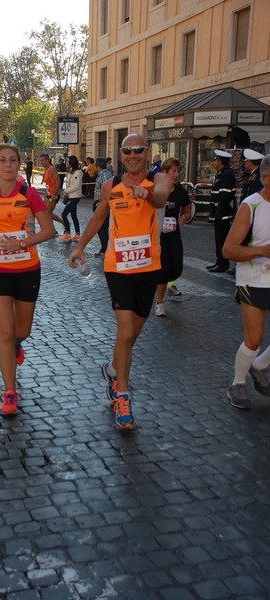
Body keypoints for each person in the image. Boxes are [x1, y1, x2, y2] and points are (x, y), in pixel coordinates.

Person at [68, 134, 171, 429]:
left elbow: (162, 196)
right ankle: (122, 397)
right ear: (121, 154)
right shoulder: (110, 186)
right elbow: (99, 218)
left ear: (146, 152)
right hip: (119, 267)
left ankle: (113, 369)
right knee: (125, 332)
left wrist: (146, 195)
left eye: (138, 150)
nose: (133, 154)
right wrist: (79, 246)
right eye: (127, 150)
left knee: (134, 333)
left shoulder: (158, 177)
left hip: (149, 267)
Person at [0, 143, 55, 415]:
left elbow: (49, 230)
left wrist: (24, 243)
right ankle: (9, 392)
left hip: (27, 268)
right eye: (2, 160)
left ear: (19, 164)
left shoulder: (30, 194)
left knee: (22, 331)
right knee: (5, 331)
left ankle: (16, 345)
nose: (7, 164)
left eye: (12, 160)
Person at [223, 154, 270, 410]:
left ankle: (260, 365)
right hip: (253, 280)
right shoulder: (250, 206)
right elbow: (228, 250)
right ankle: (237, 384)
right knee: (255, 338)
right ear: (265, 178)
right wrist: (262, 251)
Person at [154, 157, 191, 317]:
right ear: (165, 171)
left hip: (174, 235)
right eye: (173, 171)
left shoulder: (181, 192)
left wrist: (184, 217)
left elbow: (187, 211)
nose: (176, 175)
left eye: (178, 171)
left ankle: (167, 282)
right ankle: (160, 303)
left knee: (176, 268)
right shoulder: (156, 189)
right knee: (162, 270)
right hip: (159, 236)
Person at [206, 149, 236, 273]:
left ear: (220, 161)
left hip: (222, 214)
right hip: (218, 213)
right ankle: (219, 261)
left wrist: (219, 213)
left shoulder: (227, 175)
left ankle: (223, 263)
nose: (215, 163)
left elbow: (225, 196)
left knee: (222, 239)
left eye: (216, 160)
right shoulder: (222, 174)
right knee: (218, 239)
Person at [60, 155, 83, 242]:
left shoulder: (77, 172)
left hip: (75, 196)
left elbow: (76, 186)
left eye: (67, 161)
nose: (66, 162)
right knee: (74, 215)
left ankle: (67, 232)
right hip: (71, 196)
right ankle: (77, 234)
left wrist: (66, 191)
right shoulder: (71, 171)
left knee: (64, 214)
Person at [92, 157, 112, 256]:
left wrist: (100, 204)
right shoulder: (106, 174)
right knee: (104, 226)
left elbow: (107, 191)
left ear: (98, 166)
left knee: (101, 226)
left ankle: (105, 249)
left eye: (95, 165)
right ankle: (106, 247)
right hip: (102, 203)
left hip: (101, 204)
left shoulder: (104, 176)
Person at [39, 154, 64, 230]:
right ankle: (52, 229)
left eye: (42, 160)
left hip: (53, 194)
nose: (41, 162)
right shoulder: (46, 169)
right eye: (40, 160)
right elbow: (48, 184)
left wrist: (54, 194)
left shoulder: (51, 169)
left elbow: (58, 182)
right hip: (49, 194)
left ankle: (64, 223)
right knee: (46, 212)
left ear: (47, 160)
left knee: (48, 213)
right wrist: (46, 195)